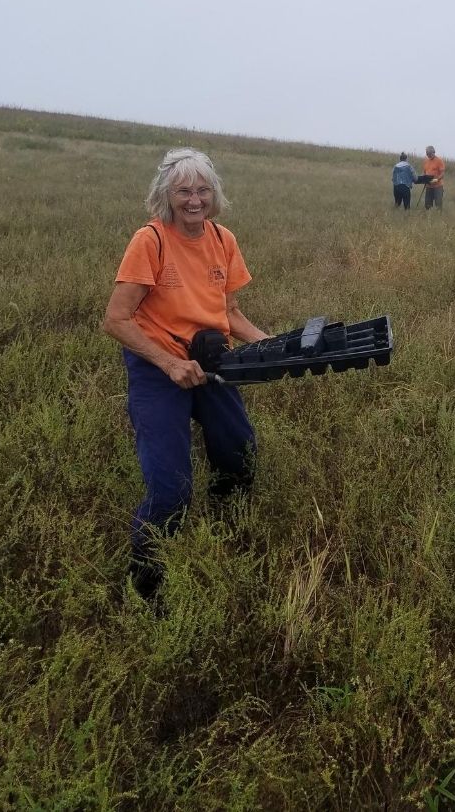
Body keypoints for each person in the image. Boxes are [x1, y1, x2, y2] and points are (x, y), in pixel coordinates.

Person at [103, 147, 269, 599]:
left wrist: (270, 344)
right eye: (183, 191)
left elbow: (229, 312)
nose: (194, 200)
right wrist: (170, 363)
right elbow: (116, 319)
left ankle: (227, 535)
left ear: (214, 194)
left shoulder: (222, 239)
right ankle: (146, 586)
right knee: (171, 488)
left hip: (211, 361)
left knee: (240, 457)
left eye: (202, 190)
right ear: (166, 195)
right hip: (160, 367)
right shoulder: (150, 241)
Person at [422, 146, 446, 210]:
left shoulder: (439, 161)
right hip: (428, 186)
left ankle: (438, 216)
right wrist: (424, 179)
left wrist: (436, 179)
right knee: (427, 204)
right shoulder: (426, 161)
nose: (428, 155)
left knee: (438, 203)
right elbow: (425, 172)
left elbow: (442, 173)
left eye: (429, 154)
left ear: (434, 152)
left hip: (437, 186)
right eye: (427, 154)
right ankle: (429, 216)